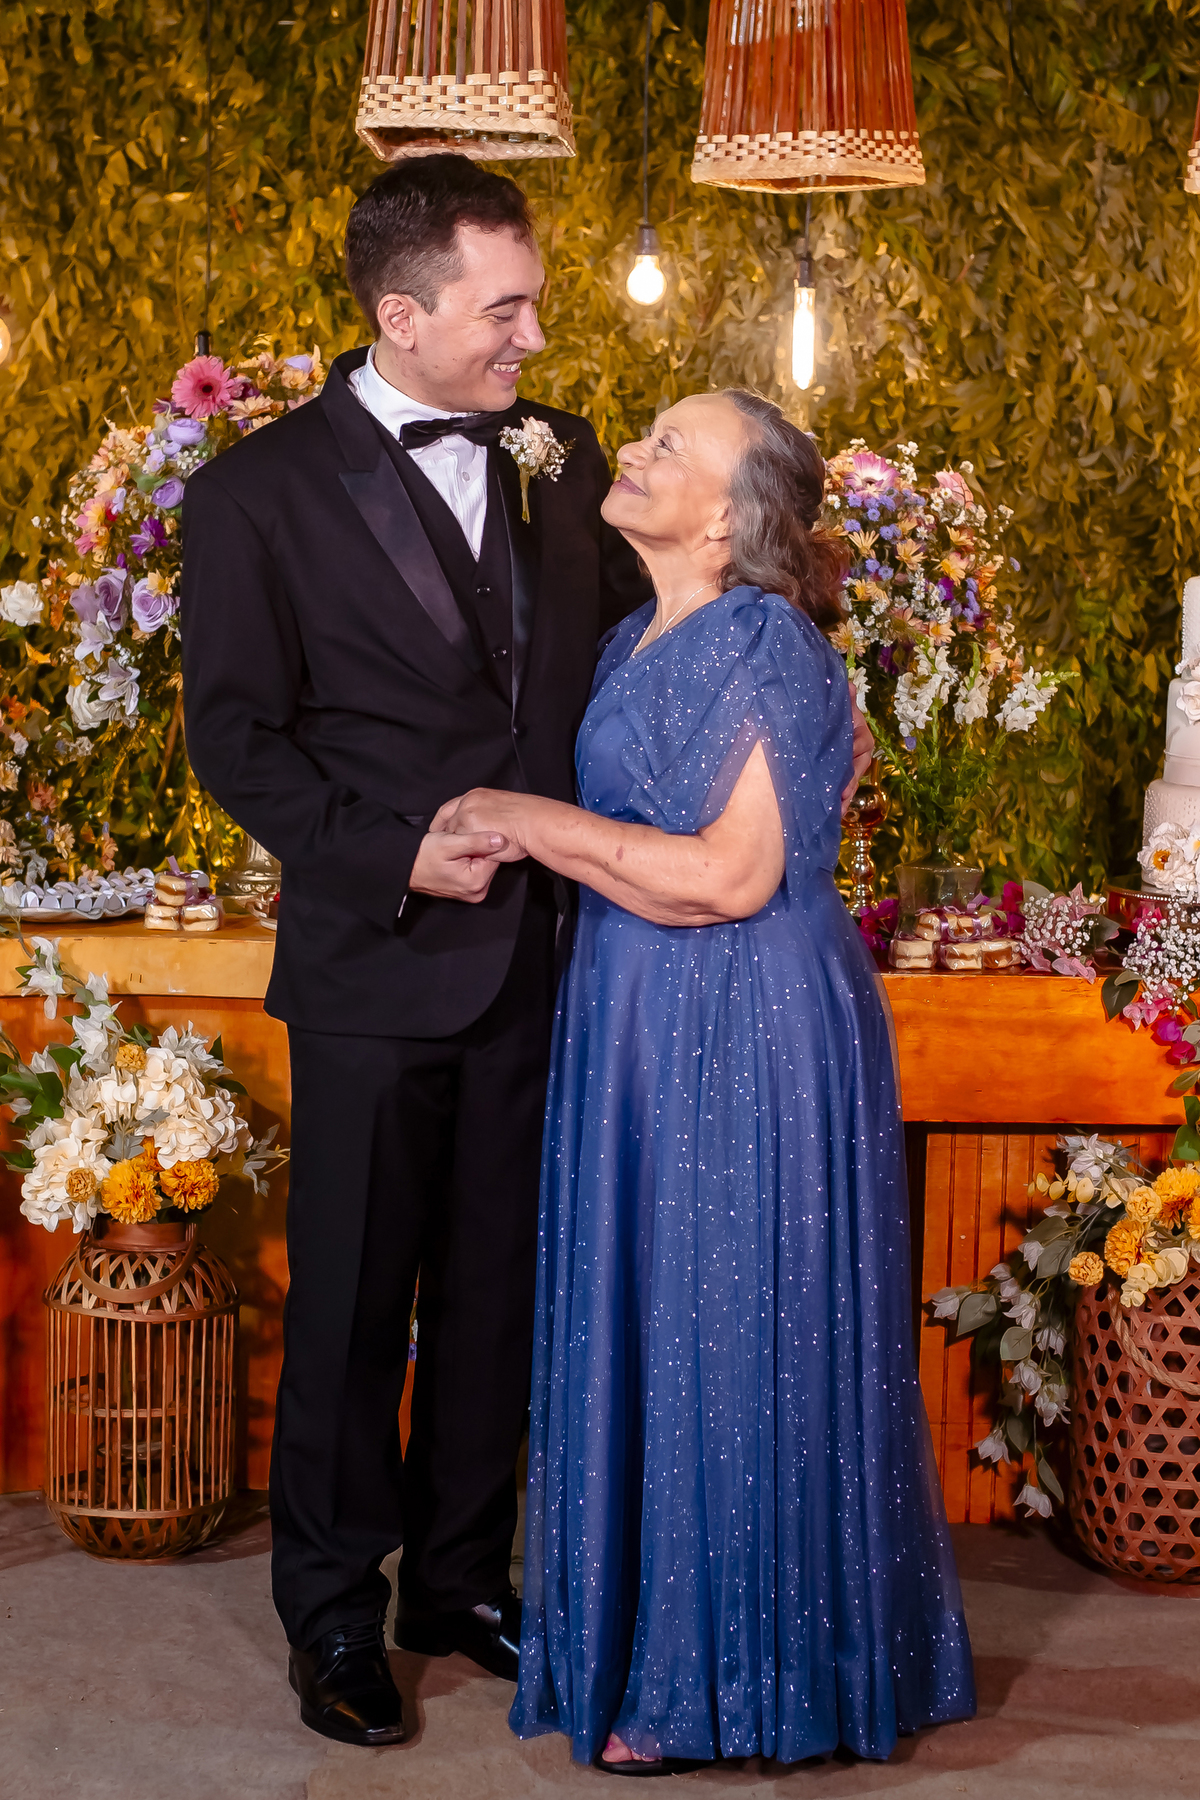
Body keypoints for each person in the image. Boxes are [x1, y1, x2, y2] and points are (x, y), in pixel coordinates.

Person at [180, 155, 653, 1748]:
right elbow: (237, 744)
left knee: (493, 1297)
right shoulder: (250, 496)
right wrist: (397, 851)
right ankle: (331, 1615)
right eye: (504, 307)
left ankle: (456, 1584)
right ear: (404, 314)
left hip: (544, 959)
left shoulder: (567, 454)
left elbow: (625, 659)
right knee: (354, 1301)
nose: (535, 335)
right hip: (373, 966)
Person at [435, 389, 977, 1772]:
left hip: (743, 1022)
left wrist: (526, 818)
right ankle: (657, 1654)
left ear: (734, 519)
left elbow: (730, 880)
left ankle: (718, 1680)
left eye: (677, 445)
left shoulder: (765, 638)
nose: (640, 452)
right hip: (635, 1013)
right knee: (660, 1319)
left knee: (724, 1327)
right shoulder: (634, 635)